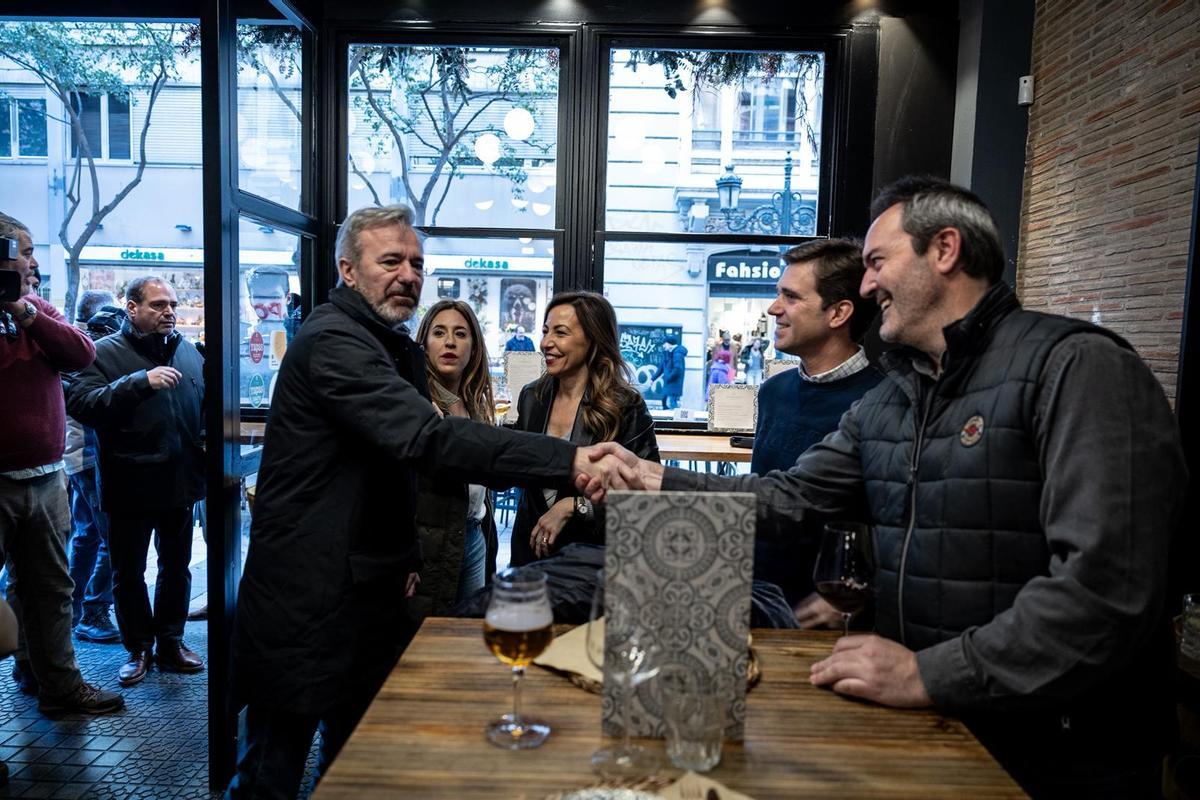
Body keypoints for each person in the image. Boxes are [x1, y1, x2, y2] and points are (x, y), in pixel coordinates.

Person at [582, 176, 1186, 796]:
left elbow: (1109, 588)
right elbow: (791, 498)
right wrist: (654, 477)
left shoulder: (1077, 366)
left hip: (1063, 750)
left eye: (877, 262)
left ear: (945, 250)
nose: (867, 286)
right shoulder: (894, 398)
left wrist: (929, 673)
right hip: (941, 730)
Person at [225, 205, 629, 799]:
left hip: (366, 590)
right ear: (347, 270)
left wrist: (404, 555)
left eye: (415, 262)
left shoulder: (388, 345)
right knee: (271, 772)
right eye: (390, 261)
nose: (408, 275)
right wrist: (565, 460)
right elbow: (427, 439)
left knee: (356, 762)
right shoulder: (334, 340)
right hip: (306, 597)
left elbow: (394, 473)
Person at [0, 212, 123, 716]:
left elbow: (81, 352)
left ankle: (58, 684)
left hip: (46, 476)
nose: (32, 263)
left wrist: (24, 312)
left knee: (50, 586)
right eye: (24, 252)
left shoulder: (35, 309)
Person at [66, 276, 207, 687]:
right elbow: (82, 404)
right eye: (158, 304)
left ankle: (170, 642)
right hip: (129, 482)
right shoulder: (103, 353)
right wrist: (139, 383)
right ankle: (138, 648)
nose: (169, 312)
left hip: (179, 482)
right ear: (132, 308)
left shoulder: (187, 351)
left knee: (176, 567)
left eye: (173, 304)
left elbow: (200, 403)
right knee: (128, 572)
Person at [752, 239, 883, 623]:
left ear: (839, 312)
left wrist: (854, 599)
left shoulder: (883, 401)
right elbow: (764, 498)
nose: (774, 308)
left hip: (831, 620)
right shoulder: (773, 392)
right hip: (759, 604)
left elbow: (900, 523)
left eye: (791, 298)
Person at [508, 291, 660, 567]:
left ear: (592, 340)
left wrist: (576, 507)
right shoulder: (532, 397)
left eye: (560, 332)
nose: (546, 343)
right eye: (545, 331)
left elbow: (648, 495)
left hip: (591, 561)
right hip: (529, 554)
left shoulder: (625, 405)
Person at [412, 299, 498, 615]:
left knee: (466, 637)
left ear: (474, 348)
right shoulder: (416, 401)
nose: (450, 342)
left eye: (461, 334)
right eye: (439, 332)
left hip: (473, 535)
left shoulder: (475, 405)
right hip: (428, 543)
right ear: (424, 343)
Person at [64, 291, 123, 644]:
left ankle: (72, 610)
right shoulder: (88, 349)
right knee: (110, 539)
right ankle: (94, 610)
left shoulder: (74, 346)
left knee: (87, 536)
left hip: (77, 457)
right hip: (89, 457)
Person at [652, 334, 686, 410]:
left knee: (670, 404)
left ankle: (674, 420)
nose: (663, 345)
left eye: (665, 343)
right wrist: (652, 379)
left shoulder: (677, 354)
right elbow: (661, 367)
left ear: (669, 343)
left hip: (674, 384)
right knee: (665, 402)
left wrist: (669, 377)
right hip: (669, 383)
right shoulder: (668, 353)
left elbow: (678, 369)